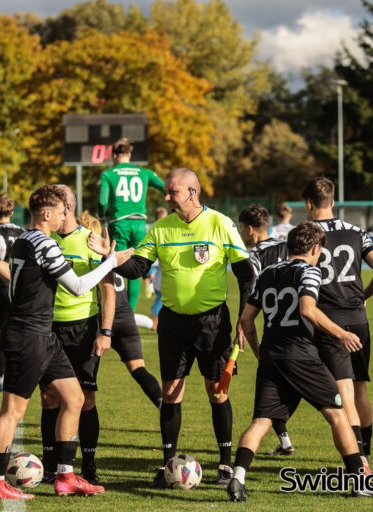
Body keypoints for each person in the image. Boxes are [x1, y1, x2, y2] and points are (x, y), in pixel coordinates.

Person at [92, 168, 254, 488]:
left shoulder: (221, 224)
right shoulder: (161, 228)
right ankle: (169, 465)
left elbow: (246, 274)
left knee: (217, 393)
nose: (166, 197)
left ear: (192, 192)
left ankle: (224, 464)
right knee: (170, 394)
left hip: (212, 322)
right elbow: (138, 267)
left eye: (172, 192)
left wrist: (243, 319)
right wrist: (110, 257)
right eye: (166, 191)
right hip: (172, 323)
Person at [0, 185, 134, 500]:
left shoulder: (22, 240)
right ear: (46, 214)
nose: (65, 216)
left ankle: (65, 476)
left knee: (74, 398)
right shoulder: (44, 243)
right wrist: (111, 262)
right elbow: (77, 286)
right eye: (62, 211)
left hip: (43, 334)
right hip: (29, 334)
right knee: (12, 411)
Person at [229, 221, 373, 501]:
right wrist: (341, 332)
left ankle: (238, 478)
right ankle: (360, 481)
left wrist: (262, 354)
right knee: (339, 415)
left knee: (262, 421)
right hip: (302, 356)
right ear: (315, 248)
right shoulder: (310, 271)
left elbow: (246, 320)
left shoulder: (268, 273)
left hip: (272, 357)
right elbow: (308, 310)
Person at [302, 177, 373, 467]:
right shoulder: (356, 231)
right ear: (334, 202)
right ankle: (368, 451)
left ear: (308, 203)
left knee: (345, 395)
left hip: (330, 323)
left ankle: (360, 460)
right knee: (360, 389)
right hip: (358, 319)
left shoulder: (305, 235)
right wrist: (363, 298)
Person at [39, 186, 116, 486]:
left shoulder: (89, 240)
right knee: (49, 399)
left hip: (83, 329)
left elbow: (107, 288)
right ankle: (50, 466)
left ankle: (89, 464)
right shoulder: (44, 239)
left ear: (67, 207)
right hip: (49, 329)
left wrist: (105, 332)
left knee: (85, 399)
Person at [77, 212, 162, 405]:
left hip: (101, 321)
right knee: (139, 369)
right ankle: (163, 406)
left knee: (86, 387)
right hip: (125, 319)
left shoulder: (86, 258)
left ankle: (72, 433)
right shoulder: (110, 253)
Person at [237, 204, 295, 456]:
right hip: (299, 325)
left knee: (268, 387)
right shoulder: (287, 246)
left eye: (241, 228)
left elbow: (249, 293)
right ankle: (285, 443)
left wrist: (242, 324)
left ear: (250, 230)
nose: (240, 233)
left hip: (273, 330)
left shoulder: (253, 256)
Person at [98, 138, 165, 311]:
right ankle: (131, 312)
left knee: (116, 265)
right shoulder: (145, 173)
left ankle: (118, 312)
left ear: (114, 155)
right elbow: (166, 188)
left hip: (119, 225)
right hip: (139, 225)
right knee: (135, 269)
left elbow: (102, 201)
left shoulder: (108, 174)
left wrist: (101, 214)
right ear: (130, 154)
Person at [0, 193, 24, 392]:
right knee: (19, 332)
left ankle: (1, 378)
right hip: (20, 285)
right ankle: (19, 375)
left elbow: (0, 247)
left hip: (4, 284)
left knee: (0, 334)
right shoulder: (22, 230)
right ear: (11, 212)